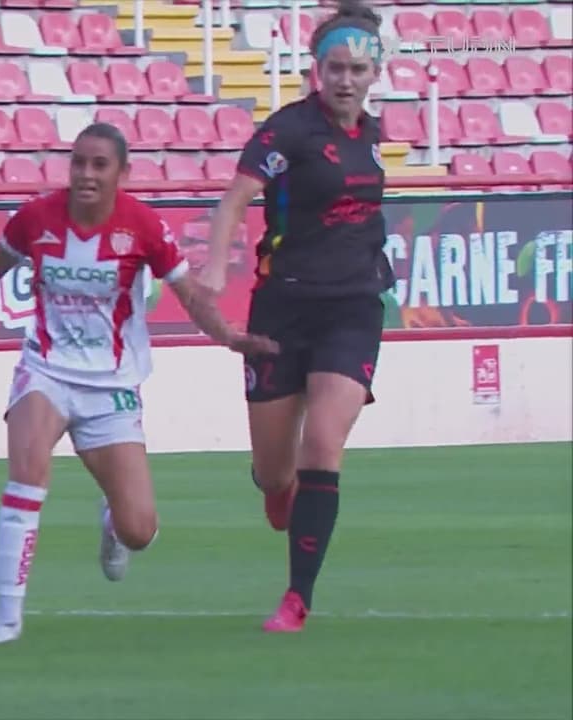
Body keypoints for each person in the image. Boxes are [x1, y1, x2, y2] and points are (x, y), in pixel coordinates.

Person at [0, 122, 279, 644]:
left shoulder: (143, 225)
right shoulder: (37, 217)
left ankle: (113, 521)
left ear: (122, 173)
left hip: (112, 385)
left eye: (99, 165)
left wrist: (227, 336)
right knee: (27, 476)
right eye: (79, 163)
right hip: (46, 370)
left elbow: (189, 293)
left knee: (140, 530)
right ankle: (7, 619)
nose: (86, 174)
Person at [197, 0, 393, 633]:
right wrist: (216, 266)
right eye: (336, 68)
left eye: (358, 69)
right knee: (275, 475)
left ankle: (296, 599)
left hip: (354, 307)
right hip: (281, 308)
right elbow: (236, 198)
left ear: (375, 72)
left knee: (323, 444)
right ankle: (276, 487)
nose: (346, 80)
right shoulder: (288, 131)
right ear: (317, 69)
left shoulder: (374, 134)